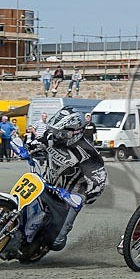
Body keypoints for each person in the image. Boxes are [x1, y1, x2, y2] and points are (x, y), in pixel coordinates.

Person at [27, 107, 108, 251]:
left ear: (76, 132)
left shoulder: (88, 153)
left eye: (62, 132)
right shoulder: (53, 134)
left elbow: (100, 181)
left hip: (69, 195)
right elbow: (39, 144)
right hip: (47, 182)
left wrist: (83, 196)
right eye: (56, 131)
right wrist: (28, 149)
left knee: (57, 242)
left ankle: (61, 234)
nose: (57, 135)